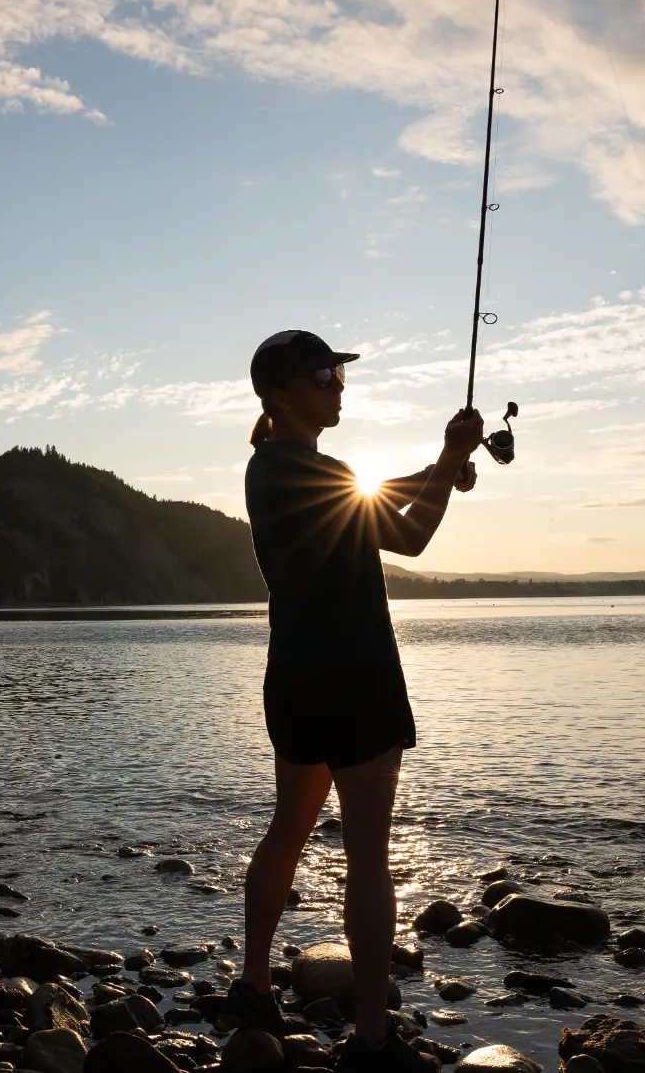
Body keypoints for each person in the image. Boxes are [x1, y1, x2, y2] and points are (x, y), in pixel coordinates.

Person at [225, 329, 484, 1073]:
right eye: (323, 373)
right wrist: (449, 458)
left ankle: (252, 983)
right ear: (279, 392)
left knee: (287, 830)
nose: (338, 383)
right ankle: (371, 1039)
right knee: (368, 854)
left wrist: (438, 467)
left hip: (298, 680)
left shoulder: (267, 467)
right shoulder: (307, 469)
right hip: (358, 680)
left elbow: (356, 495)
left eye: (338, 371)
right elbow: (410, 535)